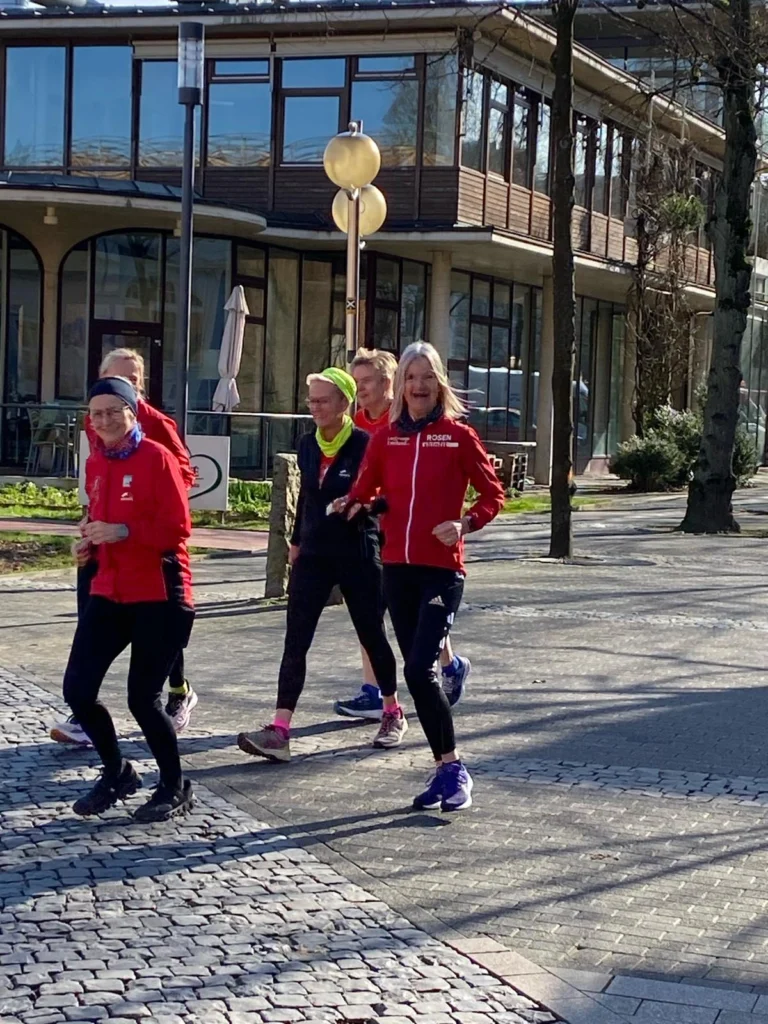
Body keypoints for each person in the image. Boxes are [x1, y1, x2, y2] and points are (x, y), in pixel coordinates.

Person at [337, 342, 504, 811]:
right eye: (411, 377)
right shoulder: (386, 439)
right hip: (397, 570)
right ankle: (445, 768)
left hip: (442, 571)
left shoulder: (458, 436)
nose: (419, 385)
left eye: (427, 376)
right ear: (401, 387)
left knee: (416, 669)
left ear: (440, 384)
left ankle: (455, 770)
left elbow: (493, 494)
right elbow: (366, 490)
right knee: (419, 675)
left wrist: (465, 523)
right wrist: (354, 504)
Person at [237, 366, 405, 761]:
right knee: (295, 640)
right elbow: (308, 497)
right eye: (311, 400)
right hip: (314, 554)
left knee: (371, 634)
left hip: (357, 552)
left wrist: (365, 505)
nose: (315, 407)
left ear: (344, 403)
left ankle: (392, 711)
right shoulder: (307, 444)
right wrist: (296, 542)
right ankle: (280, 730)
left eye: (323, 401)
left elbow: (391, 496)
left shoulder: (366, 444)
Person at [50, 348, 198, 748]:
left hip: (151, 551)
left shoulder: (155, 424)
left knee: (158, 634)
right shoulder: (96, 418)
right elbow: (99, 478)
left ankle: (177, 691)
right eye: (117, 378)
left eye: (133, 380)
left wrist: (138, 507)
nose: (125, 385)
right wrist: (92, 523)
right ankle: (84, 710)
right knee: (90, 626)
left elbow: (182, 475)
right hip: (106, 546)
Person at [333, 347, 471, 721]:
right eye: (356, 382)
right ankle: (375, 690)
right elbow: (362, 482)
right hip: (378, 540)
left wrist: (463, 523)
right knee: (371, 615)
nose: (359, 389)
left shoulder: (418, 426)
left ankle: (447, 668)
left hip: (424, 548)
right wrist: (351, 503)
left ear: (387, 384)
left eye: (366, 381)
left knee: (417, 628)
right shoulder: (360, 425)